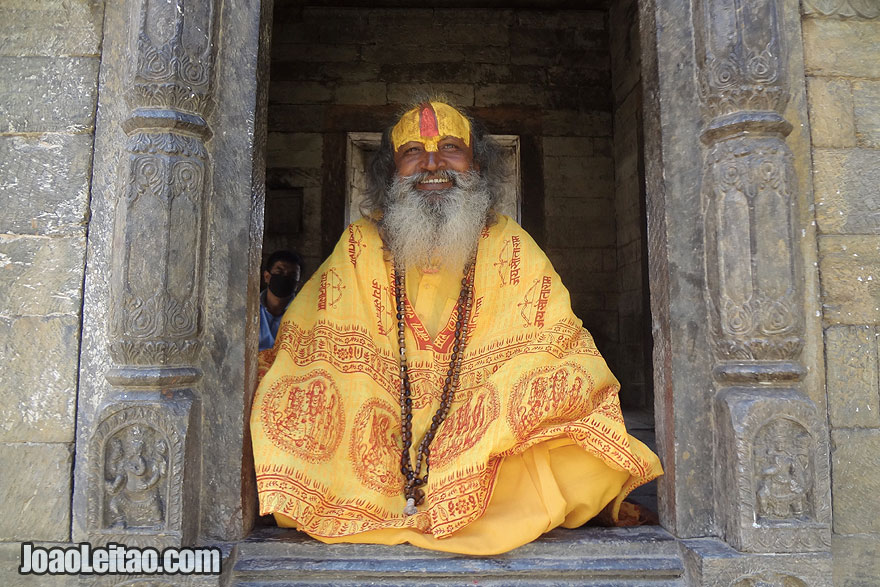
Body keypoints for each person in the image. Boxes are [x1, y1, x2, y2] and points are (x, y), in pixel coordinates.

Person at [250, 100, 662, 554]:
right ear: (392, 172)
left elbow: (554, 352)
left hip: (486, 444)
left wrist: (487, 421)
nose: (432, 163)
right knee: (285, 441)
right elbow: (312, 347)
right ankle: (426, 502)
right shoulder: (358, 245)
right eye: (413, 151)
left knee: (591, 465)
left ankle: (461, 498)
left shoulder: (510, 244)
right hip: (376, 437)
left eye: (450, 147)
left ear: (477, 164)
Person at [259, 250, 303, 351]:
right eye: (279, 272)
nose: (285, 278)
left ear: (297, 284)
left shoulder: (304, 314)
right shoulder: (248, 309)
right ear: (267, 276)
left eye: (292, 276)